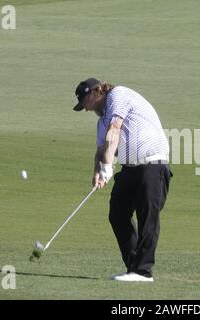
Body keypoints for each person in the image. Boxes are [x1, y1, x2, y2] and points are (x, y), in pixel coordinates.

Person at [73, 77, 172, 282]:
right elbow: (101, 151)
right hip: (130, 169)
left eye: (85, 103)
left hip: (152, 165)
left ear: (95, 93)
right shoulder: (102, 122)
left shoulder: (118, 95)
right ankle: (133, 267)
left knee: (147, 218)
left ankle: (143, 272)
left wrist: (108, 167)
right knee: (117, 214)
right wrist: (98, 172)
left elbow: (114, 131)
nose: (85, 109)